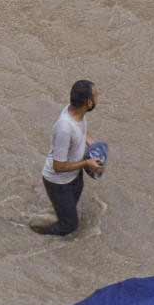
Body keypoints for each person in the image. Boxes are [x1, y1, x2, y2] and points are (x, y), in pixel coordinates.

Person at [30, 80, 102, 236]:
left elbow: (81, 132)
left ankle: (59, 214)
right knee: (69, 225)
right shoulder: (64, 128)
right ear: (89, 102)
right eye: (96, 95)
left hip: (74, 176)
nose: (98, 97)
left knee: (70, 210)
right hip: (58, 182)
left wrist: (92, 143)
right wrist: (86, 163)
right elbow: (58, 167)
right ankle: (35, 232)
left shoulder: (76, 112)